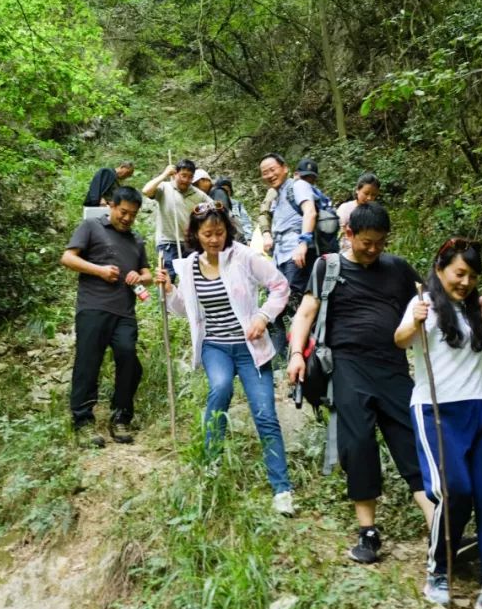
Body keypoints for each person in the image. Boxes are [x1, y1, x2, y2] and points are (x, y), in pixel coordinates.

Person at [286, 202, 435, 563]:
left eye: (380, 242)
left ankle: (439, 526)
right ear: (349, 234)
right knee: (358, 445)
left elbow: (432, 297)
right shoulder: (329, 266)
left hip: (393, 367)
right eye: (367, 242)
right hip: (348, 366)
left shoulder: (397, 268)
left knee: (412, 440)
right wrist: (294, 355)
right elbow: (306, 312)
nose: (374, 249)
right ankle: (368, 533)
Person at [394, 238, 482, 609]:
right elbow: (400, 340)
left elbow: (467, 347)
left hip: (479, 411)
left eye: (472, 275)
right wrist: (414, 322)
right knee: (456, 489)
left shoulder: (473, 309)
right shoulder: (424, 304)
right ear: (440, 269)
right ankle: (439, 569)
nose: (465, 281)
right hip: (436, 413)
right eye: (459, 273)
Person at [154, 201, 295, 514]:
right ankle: (211, 463)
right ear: (196, 234)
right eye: (207, 234)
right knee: (220, 389)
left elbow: (279, 286)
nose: (214, 239)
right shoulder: (189, 265)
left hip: (251, 348)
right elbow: (183, 310)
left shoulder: (244, 257)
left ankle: (282, 489)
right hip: (215, 346)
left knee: (265, 414)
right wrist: (168, 290)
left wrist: (263, 316)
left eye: (219, 233)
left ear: (227, 231)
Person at [61, 187, 152, 447]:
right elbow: (67, 258)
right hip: (93, 306)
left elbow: (146, 274)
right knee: (88, 362)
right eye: (123, 212)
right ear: (112, 206)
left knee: (128, 358)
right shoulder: (91, 226)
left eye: (132, 215)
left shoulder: (136, 240)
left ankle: (121, 416)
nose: (127, 218)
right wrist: (99, 271)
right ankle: (83, 421)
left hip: (124, 311)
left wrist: (140, 277)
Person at [258, 153, 317, 358]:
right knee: (276, 303)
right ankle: (282, 356)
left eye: (272, 169)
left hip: (295, 252)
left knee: (293, 303)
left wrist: (303, 243)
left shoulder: (298, 186)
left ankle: (306, 353)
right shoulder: (275, 195)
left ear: (284, 168)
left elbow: (310, 212)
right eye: (265, 173)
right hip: (280, 256)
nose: (269, 175)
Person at [142, 159, 212, 283]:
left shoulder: (198, 195)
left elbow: (216, 208)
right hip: (168, 242)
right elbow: (146, 191)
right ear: (175, 174)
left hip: (189, 242)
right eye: (183, 175)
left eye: (190, 177)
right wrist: (164, 174)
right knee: (168, 278)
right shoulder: (165, 188)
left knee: (192, 278)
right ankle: (167, 302)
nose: (186, 180)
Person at [336, 173, 381, 252]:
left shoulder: (376, 211)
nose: (369, 198)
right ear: (357, 190)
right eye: (366, 193)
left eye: (373, 195)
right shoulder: (345, 209)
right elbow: (340, 234)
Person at [212, 177, 252, 244]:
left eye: (227, 190)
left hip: (240, 241)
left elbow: (245, 222)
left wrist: (248, 239)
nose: (225, 193)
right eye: (222, 190)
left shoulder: (237, 204)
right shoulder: (213, 205)